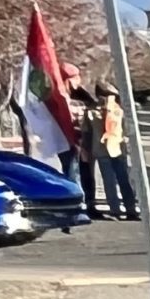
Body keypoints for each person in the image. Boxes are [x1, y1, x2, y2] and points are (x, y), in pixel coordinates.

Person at [88, 80, 140, 221]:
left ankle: (131, 209)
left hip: (118, 149)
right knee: (109, 181)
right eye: (105, 95)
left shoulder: (119, 111)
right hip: (102, 150)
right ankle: (115, 209)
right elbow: (87, 132)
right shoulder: (92, 111)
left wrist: (128, 145)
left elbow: (127, 129)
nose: (107, 98)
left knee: (124, 180)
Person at [54, 64, 98, 221]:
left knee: (87, 174)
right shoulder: (58, 98)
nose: (78, 81)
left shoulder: (81, 96)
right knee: (73, 174)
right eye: (74, 78)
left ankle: (90, 204)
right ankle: (76, 206)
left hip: (85, 141)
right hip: (68, 142)